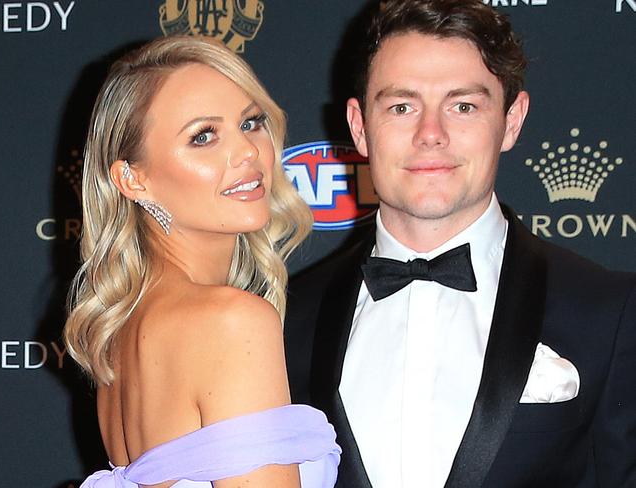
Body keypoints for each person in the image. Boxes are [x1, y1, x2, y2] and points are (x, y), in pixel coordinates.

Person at [284, 1, 636, 487]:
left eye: (463, 106)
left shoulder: (609, 311)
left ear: (512, 120)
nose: (431, 134)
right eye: (402, 106)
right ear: (360, 126)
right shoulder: (286, 318)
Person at [64, 35, 340, 488]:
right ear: (133, 180)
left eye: (251, 123)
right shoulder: (230, 321)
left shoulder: (121, 334)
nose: (248, 152)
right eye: (204, 136)